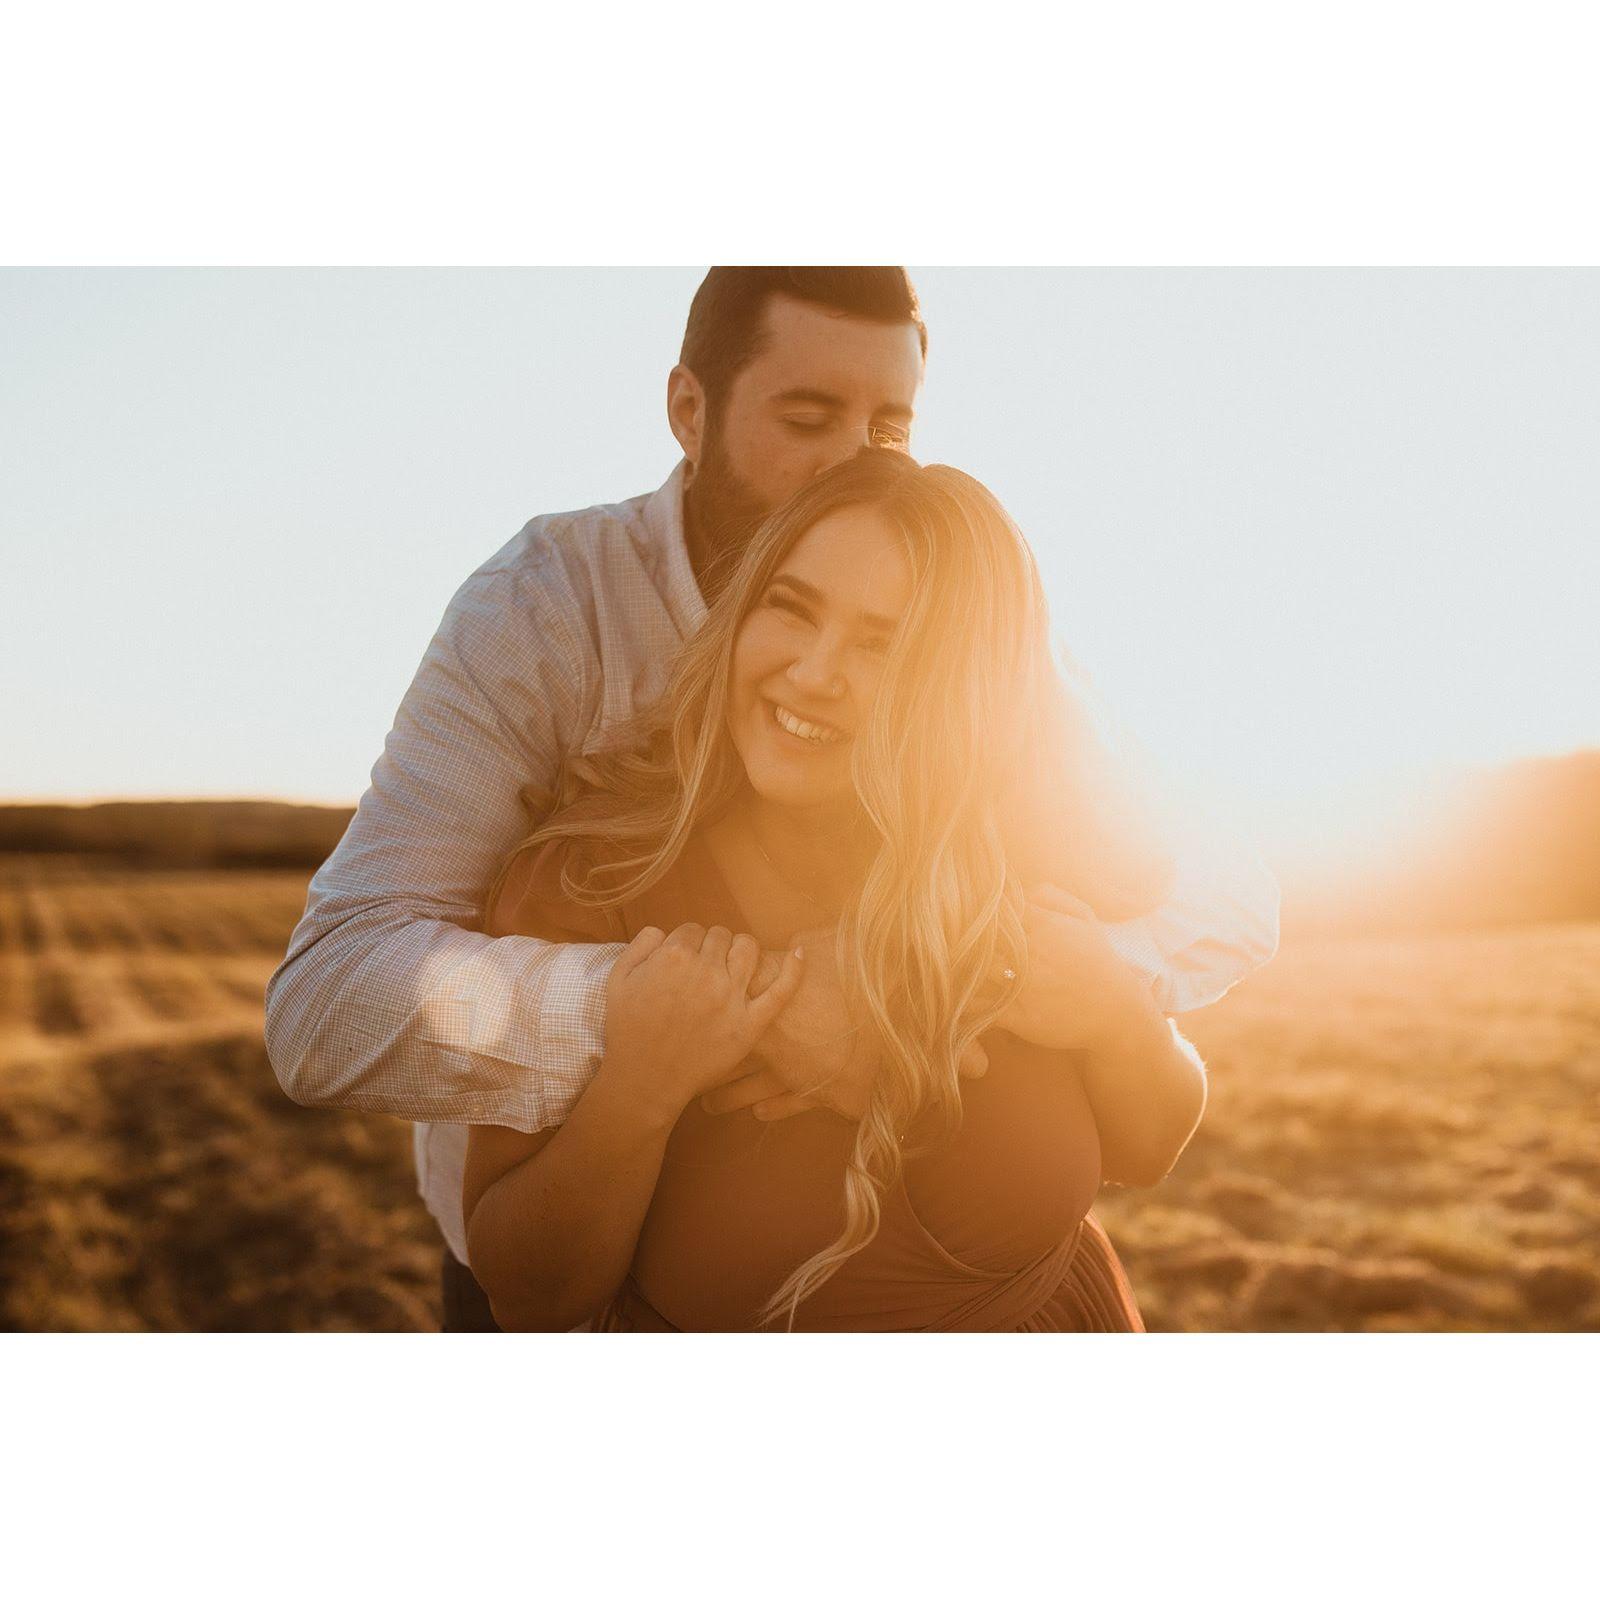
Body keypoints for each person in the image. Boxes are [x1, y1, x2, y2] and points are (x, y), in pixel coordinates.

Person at [264, 267, 1278, 1331]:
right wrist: (740, 1008)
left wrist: (952, 983)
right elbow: (328, 1006)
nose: (853, 466)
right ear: (688, 411)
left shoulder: (974, 670)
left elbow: (1224, 899)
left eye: (886, 429)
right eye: (807, 418)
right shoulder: (545, 608)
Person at [465, 449, 1206, 1331]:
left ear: (965, 686)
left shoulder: (1019, 850)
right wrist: (639, 1091)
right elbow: (531, 1300)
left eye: (882, 645)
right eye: (791, 608)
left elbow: (1148, 1146)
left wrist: (1115, 1013)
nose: (813, 673)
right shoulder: (593, 884)